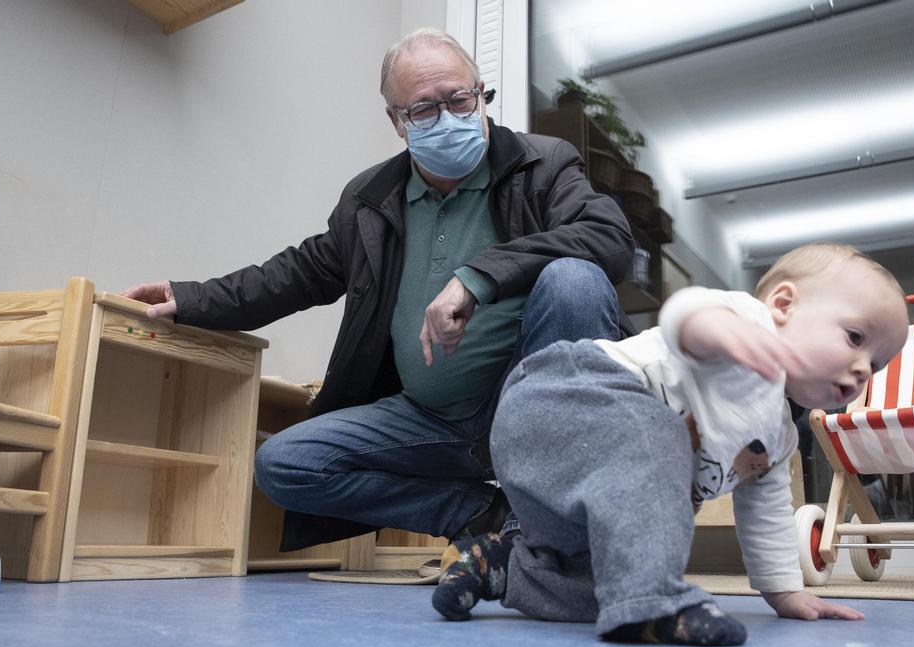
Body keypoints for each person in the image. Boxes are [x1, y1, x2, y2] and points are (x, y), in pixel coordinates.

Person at [121, 28, 634, 551]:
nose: (449, 118)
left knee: (575, 279)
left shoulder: (542, 164)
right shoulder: (371, 200)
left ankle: (558, 531)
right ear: (396, 120)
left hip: (528, 412)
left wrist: (478, 276)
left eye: (460, 99)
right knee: (286, 464)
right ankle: (484, 515)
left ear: (481, 93)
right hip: (431, 423)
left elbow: (608, 238)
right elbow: (296, 273)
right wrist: (189, 299)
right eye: (423, 109)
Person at [431, 242, 911, 647]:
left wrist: (784, 593)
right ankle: (653, 610)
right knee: (661, 436)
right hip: (563, 397)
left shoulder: (779, 439)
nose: (863, 368)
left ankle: (501, 568)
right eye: (854, 338)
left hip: (571, 489)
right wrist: (722, 331)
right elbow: (686, 314)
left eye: (877, 363)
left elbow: (766, 516)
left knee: (610, 584)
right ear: (784, 305)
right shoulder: (749, 322)